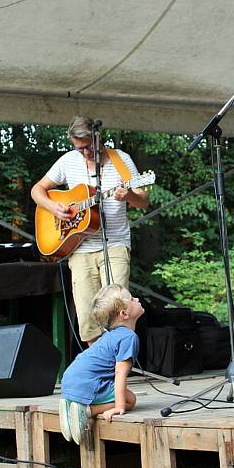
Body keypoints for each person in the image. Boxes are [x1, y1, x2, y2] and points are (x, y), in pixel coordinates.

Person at [31, 116, 149, 345]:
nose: (83, 152)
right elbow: (37, 190)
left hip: (114, 244)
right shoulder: (68, 161)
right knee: (87, 316)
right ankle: (100, 366)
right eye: (78, 148)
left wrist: (130, 195)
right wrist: (53, 207)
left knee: (118, 309)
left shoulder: (121, 160)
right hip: (80, 247)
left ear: (98, 137)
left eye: (87, 147)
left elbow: (143, 200)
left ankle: (119, 365)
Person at [58, 284, 143, 443]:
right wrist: (119, 406)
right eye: (132, 299)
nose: (137, 299)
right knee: (130, 400)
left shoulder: (110, 336)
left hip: (70, 380)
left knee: (124, 396)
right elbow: (120, 374)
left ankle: (71, 408)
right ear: (124, 313)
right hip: (86, 383)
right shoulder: (128, 337)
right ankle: (87, 410)